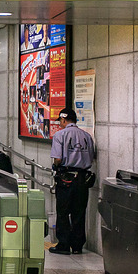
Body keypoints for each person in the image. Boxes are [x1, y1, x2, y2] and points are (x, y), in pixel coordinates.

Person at [49, 107, 97, 255]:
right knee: (79, 212)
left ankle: (63, 244)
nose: (60, 124)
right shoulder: (87, 136)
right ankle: (77, 246)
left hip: (66, 178)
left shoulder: (60, 135)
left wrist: (56, 166)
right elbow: (91, 157)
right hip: (83, 179)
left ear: (63, 120)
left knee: (63, 212)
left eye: (60, 121)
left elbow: (57, 158)